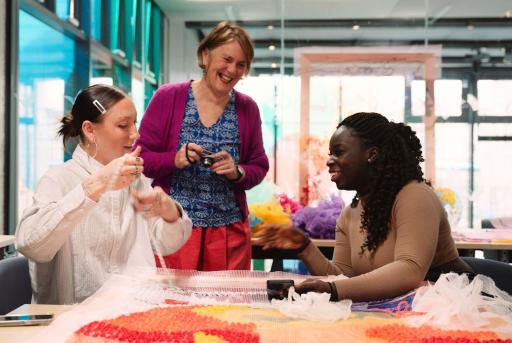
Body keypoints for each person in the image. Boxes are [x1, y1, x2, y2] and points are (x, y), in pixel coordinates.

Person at [253, 112, 473, 302]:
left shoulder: (414, 195)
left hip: (453, 310)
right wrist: (305, 248)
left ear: (371, 154)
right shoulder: (350, 214)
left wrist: (332, 290)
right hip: (400, 315)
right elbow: (344, 278)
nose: (329, 160)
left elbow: (410, 271)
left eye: (338, 152)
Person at [15, 84, 192, 305]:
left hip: (133, 311)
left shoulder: (135, 180)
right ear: (89, 130)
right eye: (123, 125)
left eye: (135, 123)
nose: (135, 134)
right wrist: (93, 187)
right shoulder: (58, 179)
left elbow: (165, 244)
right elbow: (31, 245)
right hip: (72, 320)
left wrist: (170, 213)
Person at [136, 21, 269, 271]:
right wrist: (174, 160)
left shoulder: (247, 108)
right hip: (174, 229)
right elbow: (141, 159)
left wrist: (237, 171)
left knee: (227, 309)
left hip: (229, 233)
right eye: (227, 59)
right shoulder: (168, 97)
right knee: (172, 308)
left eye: (241, 65)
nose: (232, 70)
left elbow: (259, 165)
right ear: (205, 55)